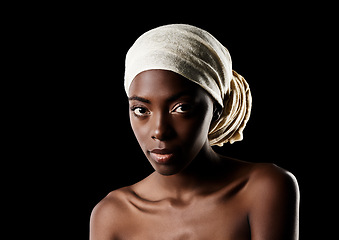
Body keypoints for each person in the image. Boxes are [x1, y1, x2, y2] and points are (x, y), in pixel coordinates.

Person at [90, 24, 299, 240]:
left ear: (217, 110)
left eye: (181, 108)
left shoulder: (264, 189)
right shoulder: (112, 215)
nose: (160, 131)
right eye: (141, 110)